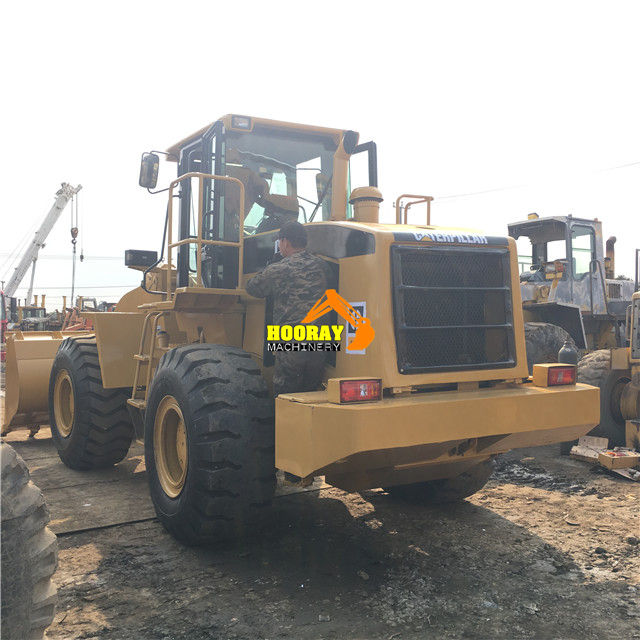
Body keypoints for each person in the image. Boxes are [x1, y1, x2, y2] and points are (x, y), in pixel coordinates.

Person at [246, 221, 330, 396]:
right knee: (311, 394)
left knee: (285, 395)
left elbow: (253, 288)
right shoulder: (322, 265)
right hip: (321, 339)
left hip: (291, 339)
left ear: (284, 242)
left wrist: (270, 266)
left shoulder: (280, 268)